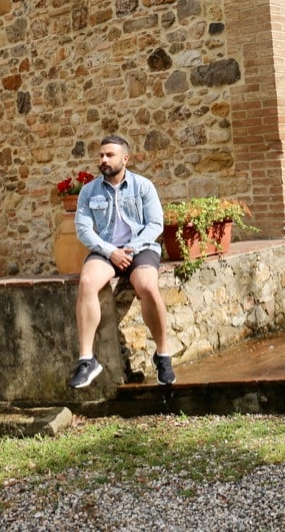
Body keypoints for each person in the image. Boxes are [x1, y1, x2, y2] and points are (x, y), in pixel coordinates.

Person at [68, 134, 175, 388]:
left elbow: (155, 224)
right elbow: (83, 229)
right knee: (87, 282)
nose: (103, 160)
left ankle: (163, 356)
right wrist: (110, 251)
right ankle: (87, 360)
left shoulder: (143, 186)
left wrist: (132, 248)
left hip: (140, 248)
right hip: (106, 250)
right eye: (101, 155)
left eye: (110, 155)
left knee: (148, 286)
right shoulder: (89, 191)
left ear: (125, 159)